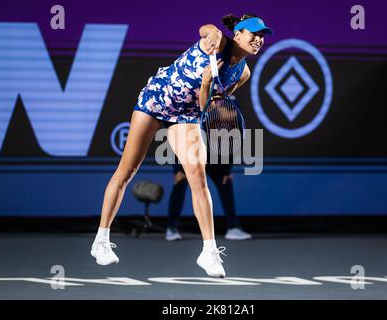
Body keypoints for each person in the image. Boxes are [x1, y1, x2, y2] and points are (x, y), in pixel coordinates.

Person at [90, 13, 273, 278]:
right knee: (127, 171)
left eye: (262, 36)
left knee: (198, 177)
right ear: (238, 35)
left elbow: (209, 105)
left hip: (186, 114)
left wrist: (208, 83)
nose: (258, 40)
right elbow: (207, 28)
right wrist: (209, 35)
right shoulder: (219, 41)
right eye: (253, 34)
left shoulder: (243, 73)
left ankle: (209, 251)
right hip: (157, 100)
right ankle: (101, 240)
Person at [166, 159, 252, 241]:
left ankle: (233, 227)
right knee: (180, 179)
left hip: (214, 160)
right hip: (192, 157)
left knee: (225, 179)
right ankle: (171, 228)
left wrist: (226, 170)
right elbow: (180, 144)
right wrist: (178, 169)